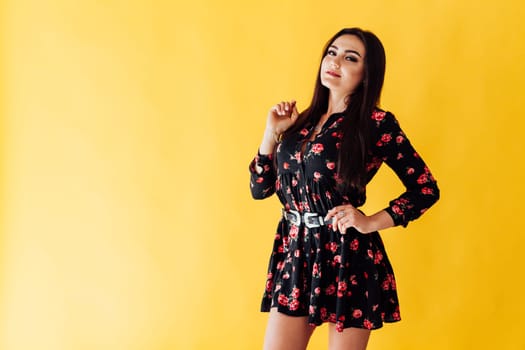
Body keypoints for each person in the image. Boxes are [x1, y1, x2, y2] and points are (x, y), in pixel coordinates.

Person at [249, 27, 440, 350]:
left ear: (367, 74)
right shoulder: (301, 121)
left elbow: (425, 188)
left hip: (347, 257)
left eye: (350, 58)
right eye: (332, 52)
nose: (335, 61)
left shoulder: (376, 123)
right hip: (296, 254)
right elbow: (260, 188)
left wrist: (369, 222)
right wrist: (271, 134)